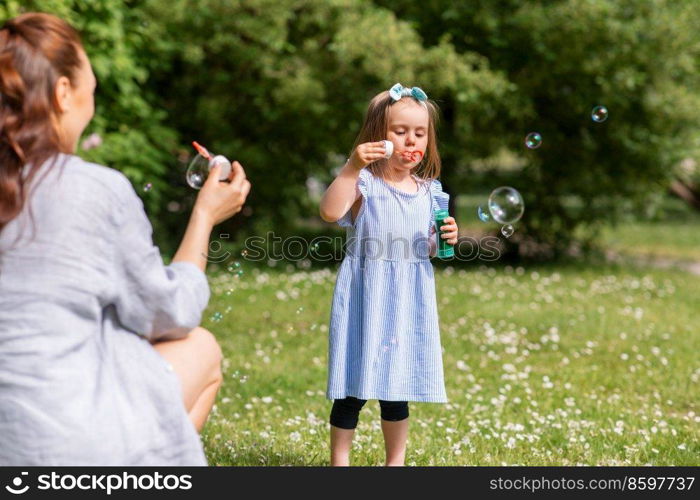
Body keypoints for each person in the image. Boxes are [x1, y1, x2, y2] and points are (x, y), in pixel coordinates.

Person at [0, 12, 251, 465]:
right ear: (62, 94)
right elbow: (169, 315)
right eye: (90, 85)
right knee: (202, 348)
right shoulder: (94, 189)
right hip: (65, 446)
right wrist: (205, 216)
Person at [319, 83, 459, 466]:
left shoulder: (431, 192)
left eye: (420, 132)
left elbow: (426, 249)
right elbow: (330, 212)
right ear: (377, 137)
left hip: (407, 303)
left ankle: (394, 463)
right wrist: (351, 166)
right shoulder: (364, 183)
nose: (411, 140)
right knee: (352, 388)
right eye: (400, 131)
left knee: (397, 389)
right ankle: (339, 463)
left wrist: (444, 238)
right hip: (367, 298)